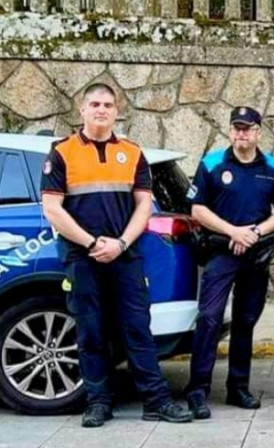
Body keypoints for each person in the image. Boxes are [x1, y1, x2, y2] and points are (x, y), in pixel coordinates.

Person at [40, 82, 193, 427]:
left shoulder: (132, 152)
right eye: (94, 103)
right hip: (82, 257)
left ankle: (155, 400)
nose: (101, 110)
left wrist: (120, 243)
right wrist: (93, 244)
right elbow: (53, 209)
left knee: (138, 328)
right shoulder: (62, 153)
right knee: (91, 330)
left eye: (108, 105)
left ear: (116, 111)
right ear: (82, 109)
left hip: (125, 255)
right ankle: (98, 402)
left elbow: (143, 206)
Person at [184, 106, 274, 419]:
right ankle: (197, 389)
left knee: (245, 321)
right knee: (209, 319)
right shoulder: (212, 163)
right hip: (221, 251)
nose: (241, 133)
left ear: (258, 132)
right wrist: (234, 232)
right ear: (230, 131)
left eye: (248, 128)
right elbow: (197, 210)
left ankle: (238, 387)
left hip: (255, 254)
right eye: (237, 128)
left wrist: (255, 233)